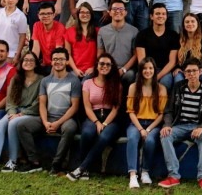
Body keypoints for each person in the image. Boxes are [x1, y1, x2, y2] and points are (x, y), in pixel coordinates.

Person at [15, 47, 80, 174]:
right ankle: (34, 162)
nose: (58, 62)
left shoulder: (74, 80)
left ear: (67, 61)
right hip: (47, 117)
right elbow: (42, 103)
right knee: (22, 125)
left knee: (70, 128)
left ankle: (57, 164)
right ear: (51, 62)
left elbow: (74, 107)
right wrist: (45, 122)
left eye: (61, 59)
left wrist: (58, 123)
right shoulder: (45, 81)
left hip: (65, 119)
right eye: (55, 59)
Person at [0, 51, 43, 174]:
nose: (28, 62)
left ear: (36, 64)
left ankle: (12, 161)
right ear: (21, 63)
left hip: (31, 113)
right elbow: (10, 100)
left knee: (13, 123)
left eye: (31, 60)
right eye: (25, 60)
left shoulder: (42, 80)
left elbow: (39, 102)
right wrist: (12, 112)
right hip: (15, 111)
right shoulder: (16, 79)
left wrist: (22, 113)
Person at [158, 58, 202, 190]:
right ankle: (173, 176)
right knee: (165, 135)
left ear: (200, 72)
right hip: (180, 125)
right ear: (184, 73)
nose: (192, 74)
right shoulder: (178, 87)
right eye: (188, 71)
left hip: (197, 126)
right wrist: (167, 125)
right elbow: (169, 110)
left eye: (194, 71)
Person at [67, 53, 122, 181]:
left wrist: (105, 124)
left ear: (112, 67)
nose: (105, 66)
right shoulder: (87, 83)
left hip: (111, 119)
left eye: (108, 64)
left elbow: (115, 109)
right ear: (97, 66)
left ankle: (81, 168)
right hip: (93, 116)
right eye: (102, 63)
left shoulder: (117, 85)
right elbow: (87, 107)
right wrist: (97, 122)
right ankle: (84, 169)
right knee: (87, 133)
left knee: (104, 136)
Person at [126, 58, 168, 188]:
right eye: (145, 68)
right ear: (140, 71)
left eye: (150, 68)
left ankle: (145, 171)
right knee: (132, 138)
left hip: (153, 124)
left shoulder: (161, 89)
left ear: (154, 70)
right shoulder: (133, 87)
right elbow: (131, 111)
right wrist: (140, 129)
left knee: (150, 141)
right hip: (136, 123)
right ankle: (133, 175)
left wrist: (148, 129)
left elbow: (161, 114)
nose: (147, 71)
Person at [135, 3, 179, 91]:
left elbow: (172, 62)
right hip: (146, 69)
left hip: (164, 71)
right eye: (157, 14)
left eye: (163, 14)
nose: (161, 16)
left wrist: (157, 77)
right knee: (139, 85)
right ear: (151, 16)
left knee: (165, 83)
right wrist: (149, 73)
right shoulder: (142, 34)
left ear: (166, 17)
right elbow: (141, 60)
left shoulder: (173, 35)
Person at [97, 0, 139, 88]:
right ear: (109, 12)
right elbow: (100, 53)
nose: (118, 11)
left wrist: (123, 69)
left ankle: (125, 101)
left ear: (125, 12)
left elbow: (136, 55)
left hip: (127, 69)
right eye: (114, 9)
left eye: (121, 9)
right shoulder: (102, 31)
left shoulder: (134, 31)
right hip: (108, 67)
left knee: (129, 76)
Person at [0, 0, 28, 66]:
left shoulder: (21, 16)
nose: (11, 0)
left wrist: (17, 55)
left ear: (17, 0)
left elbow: (22, 36)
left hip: (11, 53)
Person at [31, 2, 66, 75]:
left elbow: (58, 50)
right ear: (38, 16)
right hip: (44, 64)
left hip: (56, 63)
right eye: (42, 14)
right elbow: (36, 49)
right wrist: (32, 64)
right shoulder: (37, 26)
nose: (46, 16)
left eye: (49, 13)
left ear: (54, 15)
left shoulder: (60, 27)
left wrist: (54, 67)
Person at [65, 2, 98, 77]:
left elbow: (101, 53)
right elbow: (68, 54)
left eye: (87, 12)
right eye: (82, 12)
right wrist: (75, 69)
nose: (85, 15)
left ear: (91, 15)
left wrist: (94, 68)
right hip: (74, 69)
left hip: (92, 70)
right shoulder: (69, 32)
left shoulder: (98, 32)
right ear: (78, 14)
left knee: (85, 83)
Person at [173, 13, 202, 83]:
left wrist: (189, 72)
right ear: (183, 25)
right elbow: (175, 60)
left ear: (197, 24)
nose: (190, 24)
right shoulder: (179, 39)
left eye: (192, 21)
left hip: (197, 71)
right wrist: (177, 68)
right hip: (182, 71)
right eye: (187, 22)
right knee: (178, 79)